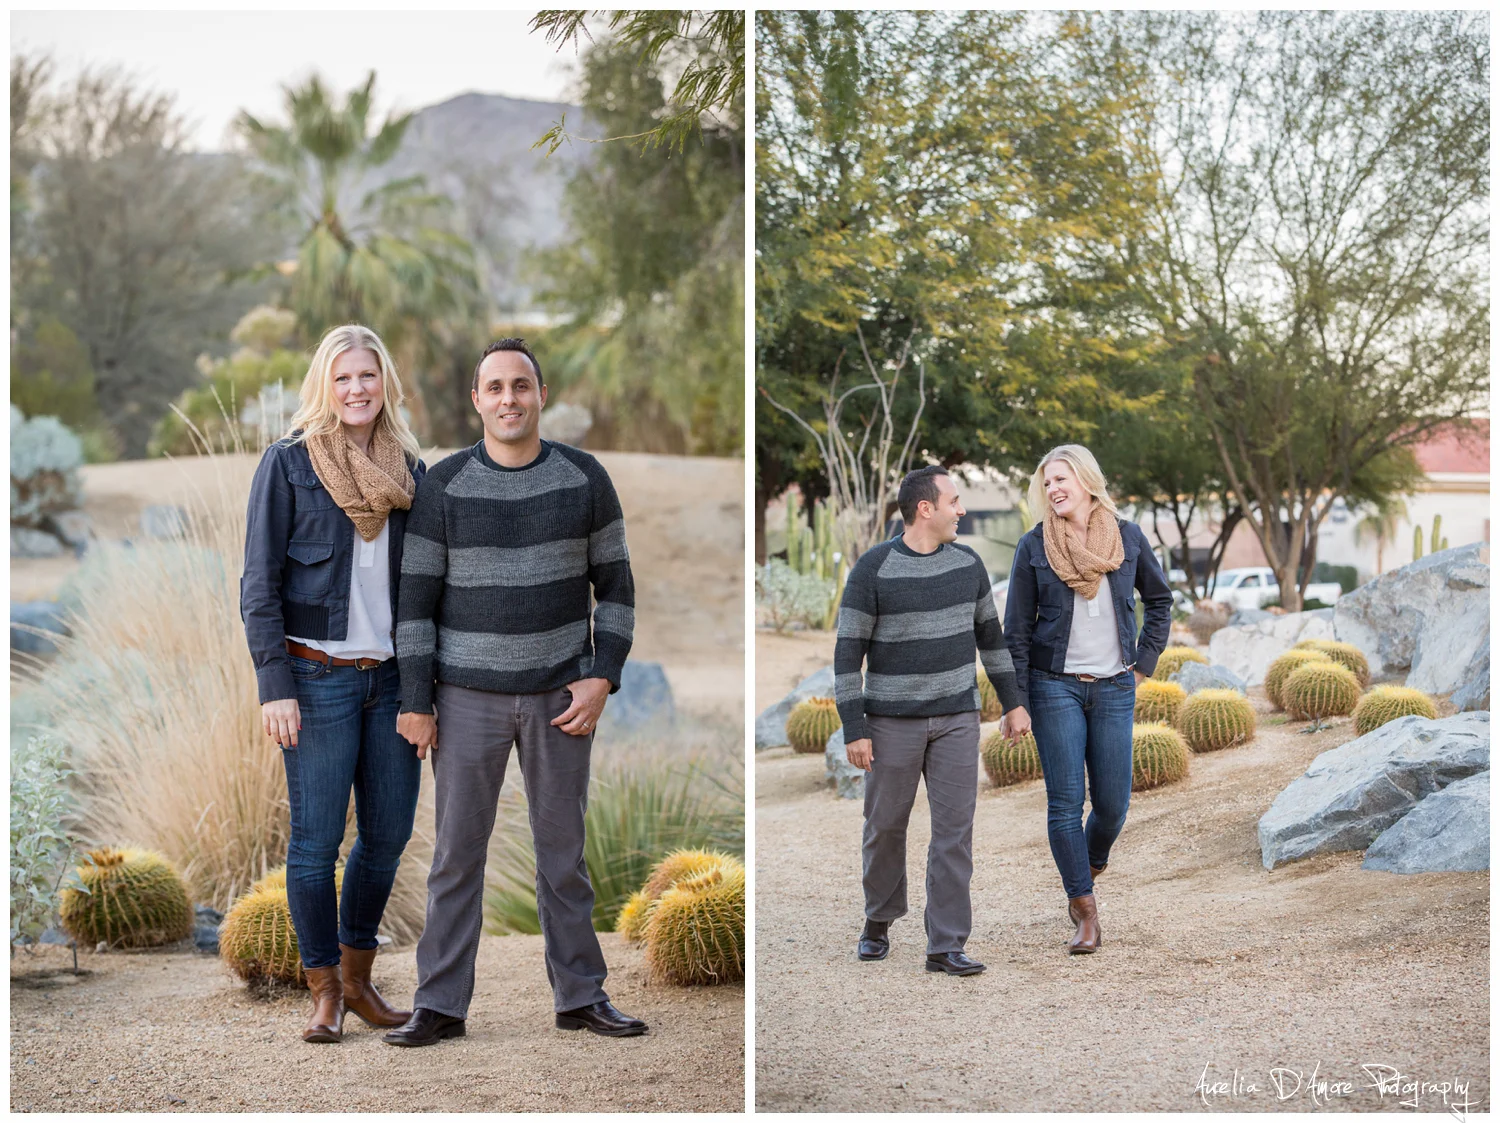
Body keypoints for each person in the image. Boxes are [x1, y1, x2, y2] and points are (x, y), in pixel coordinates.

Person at [384, 337, 646, 1046]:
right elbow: (415, 602)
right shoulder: (443, 486)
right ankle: (438, 1004)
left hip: (563, 696)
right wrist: (416, 699)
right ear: (477, 400)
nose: (509, 398)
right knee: (456, 855)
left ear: (541, 394)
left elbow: (616, 587)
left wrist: (602, 673)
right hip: (466, 696)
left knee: (564, 853)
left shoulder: (584, 478)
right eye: (495, 387)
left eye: (520, 386)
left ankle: (581, 996)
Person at [241, 323, 427, 1043]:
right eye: (344, 377)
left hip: (390, 683)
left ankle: (357, 978)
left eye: (368, 376)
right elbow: (259, 584)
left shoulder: (411, 470)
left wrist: (423, 693)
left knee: (386, 838)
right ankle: (322, 987)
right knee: (316, 843)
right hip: (314, 681)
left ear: (386, 384)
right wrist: (273, 684)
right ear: (325, 384)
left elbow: (425, 593)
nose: (357, 389)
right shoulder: (287, 465)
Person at [836, 465, 1023, 976]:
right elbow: (847, 653)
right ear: (926, 508)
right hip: (891, 722)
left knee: (954, 833)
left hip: (957, 719)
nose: (961, 510)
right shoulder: (873, 569)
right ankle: (878, 918)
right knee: (884, 827)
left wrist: (1013, 702)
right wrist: (855, 728)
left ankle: (945, 944)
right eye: (954, 501)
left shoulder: (968, 565)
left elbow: (992, 640)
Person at [1001, 444, 1172, 954]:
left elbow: (1159, 599)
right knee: (1064, 805)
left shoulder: (1128, 537)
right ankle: (1085, 909)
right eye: (1047, 482)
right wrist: (1017, 700)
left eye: (1061, 479)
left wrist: (1145, 661)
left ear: (1086, 482)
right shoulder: (1034, 547)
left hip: (1117, 686)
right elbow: (1016, 632)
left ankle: (1088, 863)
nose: (1053, 489)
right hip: (1055, 686)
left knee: (1114, 806)